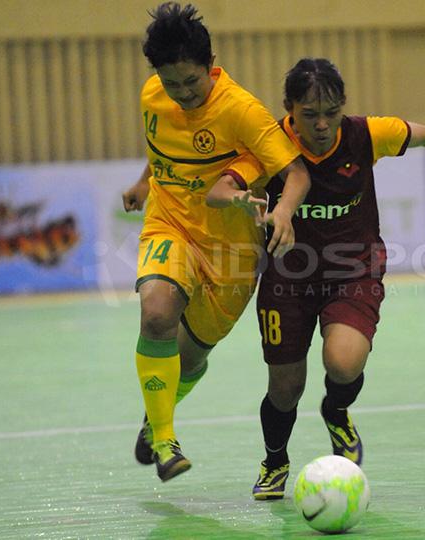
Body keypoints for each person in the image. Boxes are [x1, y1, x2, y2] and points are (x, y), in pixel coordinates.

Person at [206, 58, 425, 500]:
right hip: (289, 274)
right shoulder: (270, 145)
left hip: (353, 268)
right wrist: (240, 199)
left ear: (343, 107)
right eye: (309, 114)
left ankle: (336, 410)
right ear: (289, 108)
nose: (322, 125)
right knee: (285, 387)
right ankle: (275, 460)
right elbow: (222, 187)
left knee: (343, 362)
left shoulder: (365, 134)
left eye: (331, 112)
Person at [121, 2, 311, 483]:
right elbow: (162, 148)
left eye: (191, 82)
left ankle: (155, 415)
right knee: (158, 311)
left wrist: (283, 211)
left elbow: (296, 172)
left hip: (232, 250)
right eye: (172, 84)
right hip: (170, 223)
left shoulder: (242, 110)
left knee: (191, 356)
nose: (182, 93)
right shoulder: (152, 94)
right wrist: (145, 182)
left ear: (211, 66)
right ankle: (165, 439)